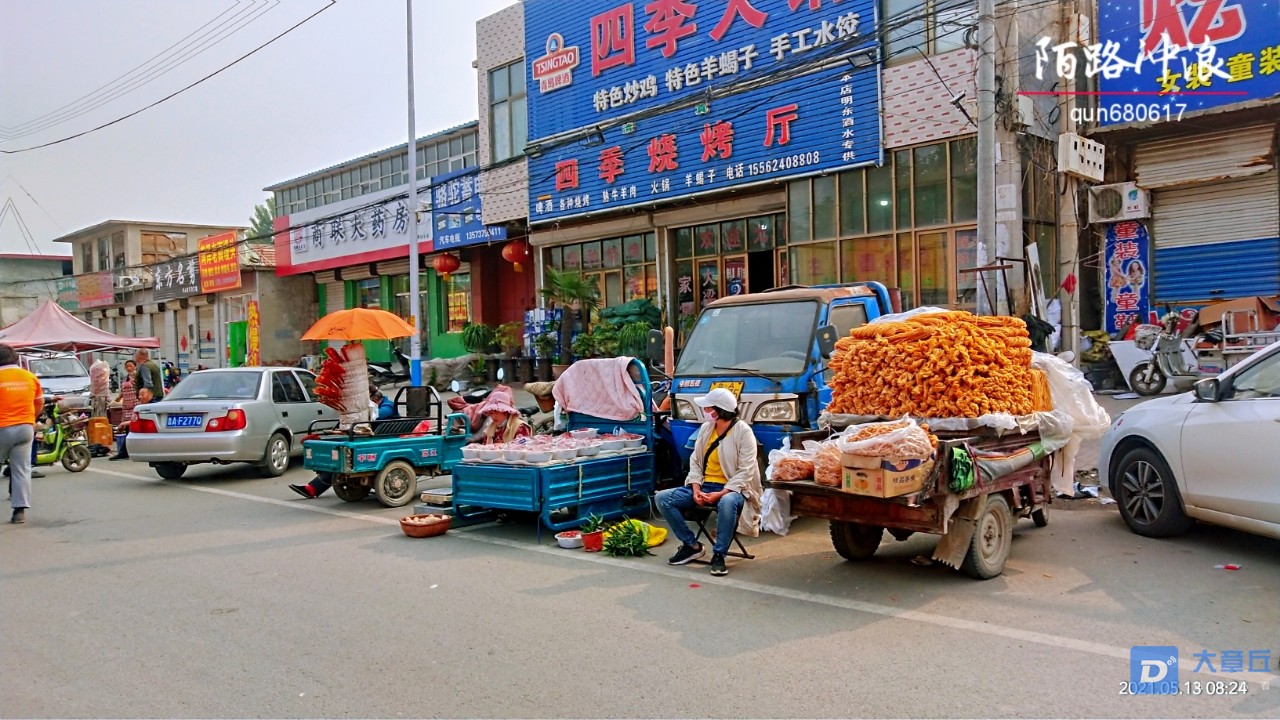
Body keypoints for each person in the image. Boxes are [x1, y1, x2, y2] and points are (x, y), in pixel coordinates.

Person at [655, 388, 762, 577]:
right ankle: (692, 545)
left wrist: (720, 494)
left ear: (719, 410)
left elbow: (746, 471)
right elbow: (695, 461)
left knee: (728, 503)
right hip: (705, 486)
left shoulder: (743, 432)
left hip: (732, 490)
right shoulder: (706, 429)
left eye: (708, 408)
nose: (705, 411)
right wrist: (696, 488)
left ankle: (719, 555)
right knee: (663, 498)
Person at [288, 386, 400, 499]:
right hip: (372, 439)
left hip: (387, 440)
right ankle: (314, 486)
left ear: (374, 399)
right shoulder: (374, 406)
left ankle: (313, 488)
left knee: (342, 460)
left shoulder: (387, 406)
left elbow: (374, 415)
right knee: (337, 455)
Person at [0, 344, 44, 524]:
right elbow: (39, 402)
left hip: (2, 427)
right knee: (21, 470)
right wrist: (31, 418)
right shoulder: (30, 377)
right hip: (25, 427)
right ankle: (19, 511)